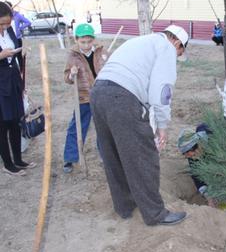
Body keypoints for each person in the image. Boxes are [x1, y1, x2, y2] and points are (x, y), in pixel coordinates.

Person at [90, 25, 189, 226]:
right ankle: (155, 214)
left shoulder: (140, 41)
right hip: (122, 97)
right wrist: (162, 126)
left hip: (98, 93)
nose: (176, 57)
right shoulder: (166, 47)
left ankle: (125, 207)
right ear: (177, 43)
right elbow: (161, 92)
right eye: (180, 53)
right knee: (143, 157)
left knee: (113, 154)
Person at [62, 23, 110, 173]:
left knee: (103, 128)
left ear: (93, 39)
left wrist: (106, 60)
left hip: (101, 96)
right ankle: (70, 157)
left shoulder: (101, 51)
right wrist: (72, 74)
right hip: (83, 98)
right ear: (76, 40)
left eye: (89, 41)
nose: (87, 45)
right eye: (83, 42)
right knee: (76, 127)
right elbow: (67, 78)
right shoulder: (73, 56)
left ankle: (106, 156)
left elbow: (111, 69)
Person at [0, 1, 35, 176]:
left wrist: (21, 53)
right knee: (3, 124)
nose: (6, 26)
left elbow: (15, 52)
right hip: (0, 83)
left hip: (12, 79)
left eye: (8, 22)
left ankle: (18, 159)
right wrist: (1, 55)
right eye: (2, 23)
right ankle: (8, 164)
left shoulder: (10, 31)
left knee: (15, 121)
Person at [177, 124, 217, 207]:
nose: (186, 156)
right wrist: (208, 195)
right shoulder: (192, 156)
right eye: (184, 154)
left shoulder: (214, 142)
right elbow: (196, 175)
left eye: (187, 153)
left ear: (196, 146)